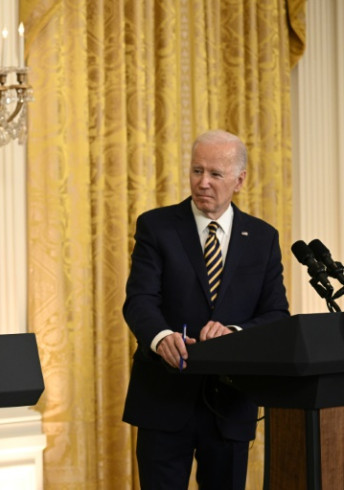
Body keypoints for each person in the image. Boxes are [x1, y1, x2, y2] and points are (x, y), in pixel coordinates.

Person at [122, 130, 289, 489]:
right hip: (164, 398)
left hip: (230, 405)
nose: (203, 183)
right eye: (197, 171)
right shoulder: (156, 226)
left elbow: (277, 315)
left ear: (239, 180)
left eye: (215, 174)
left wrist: (235, 336)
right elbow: (139, 299)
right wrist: (161, 337)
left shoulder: (263, 238)